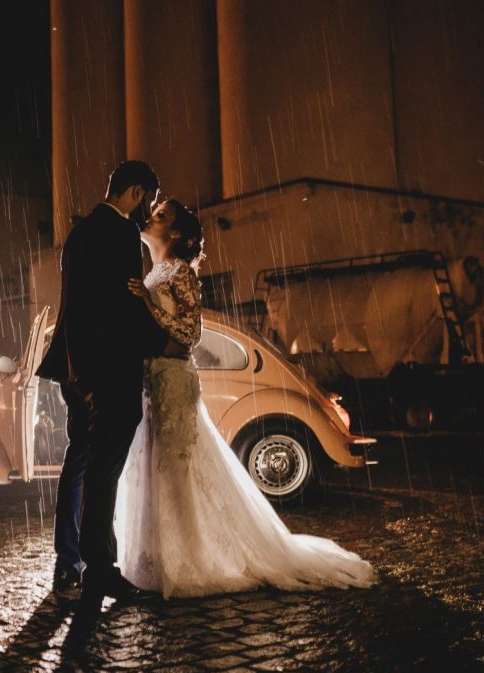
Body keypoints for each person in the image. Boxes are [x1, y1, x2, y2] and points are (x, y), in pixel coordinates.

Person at [115, 199, 376, 599]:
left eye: (161, 215)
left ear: (177, 235)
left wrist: (147, 307)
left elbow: (189, 334)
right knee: (154, 466)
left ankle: (187, 560)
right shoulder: (155, 273)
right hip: (152, 381)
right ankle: (156, 556)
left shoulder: (181, 273)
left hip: (173, 379)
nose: (150, 217)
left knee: (176, 466)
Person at [36, 160, 186, 600]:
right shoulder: (119, 233)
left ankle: (71, 560)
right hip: (108, 369)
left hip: (74, 364)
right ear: (137, 192)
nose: (150, 210)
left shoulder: (81, 232)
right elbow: (120, 308)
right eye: (151, 200)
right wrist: (162, 345)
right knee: (105, 468)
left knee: (80, 461)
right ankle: (99, 568)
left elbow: (83, 306)